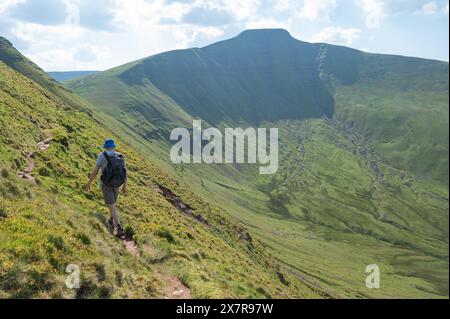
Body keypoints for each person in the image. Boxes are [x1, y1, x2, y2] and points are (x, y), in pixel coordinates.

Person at [86, 138, 127, 237]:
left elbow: (95, 171)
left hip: (106, 184)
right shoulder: (119, 156)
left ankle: (119, 227)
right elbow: (125, 172)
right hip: (117, 184)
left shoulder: (102, 156)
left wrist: (89, 183)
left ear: (105, 147)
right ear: (113, 146)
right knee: (112, 204)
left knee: (111, 204)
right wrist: (124, 186)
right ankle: (111, 220)